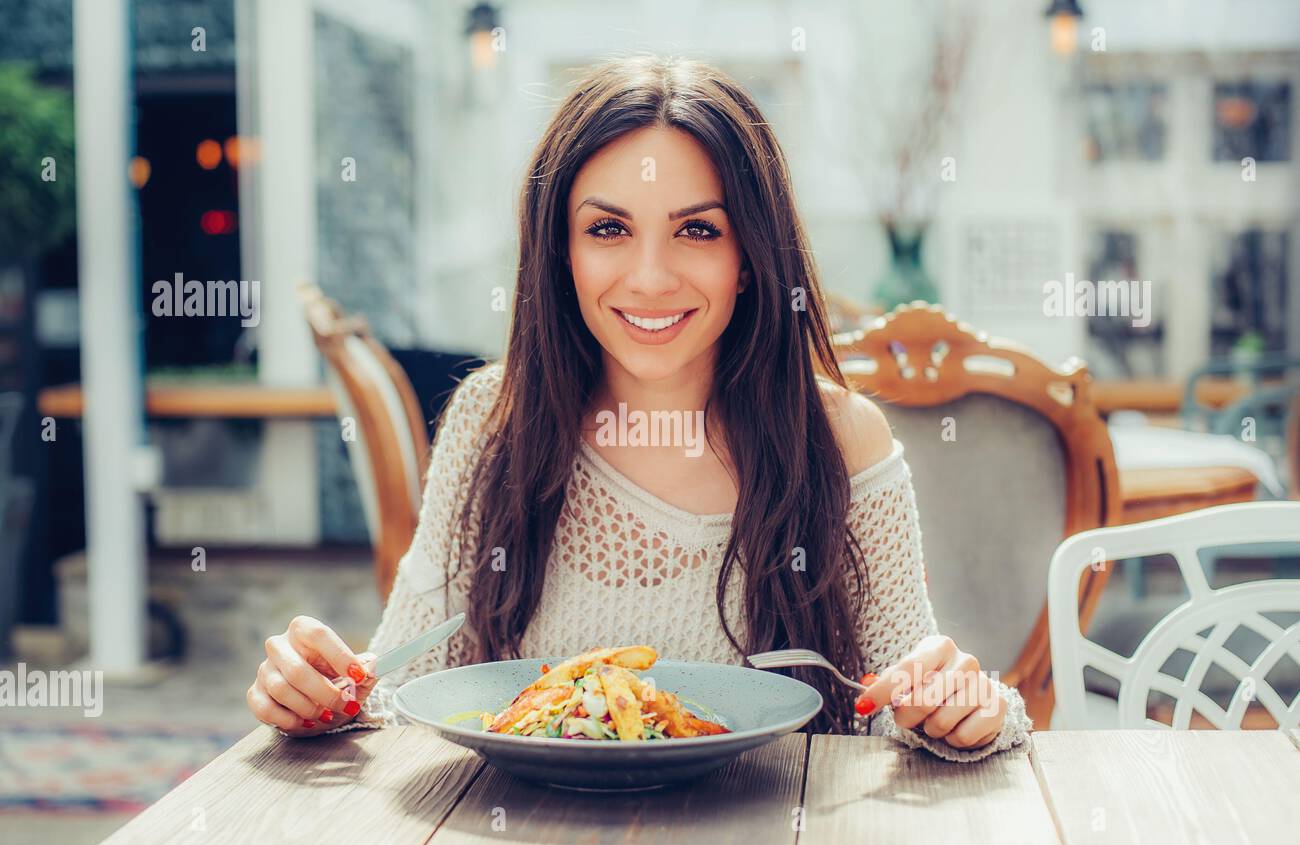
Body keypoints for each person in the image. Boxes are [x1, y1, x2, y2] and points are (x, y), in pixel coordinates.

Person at [247, 54, 1031, 761]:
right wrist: (319, 694)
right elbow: (393, 691)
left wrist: (963, 707)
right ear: (561, 249)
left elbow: (907, 701)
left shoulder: (841, 437)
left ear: (752, 258)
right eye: (608, 228)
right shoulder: (495, 419)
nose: (650, 278)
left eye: (697, 229)